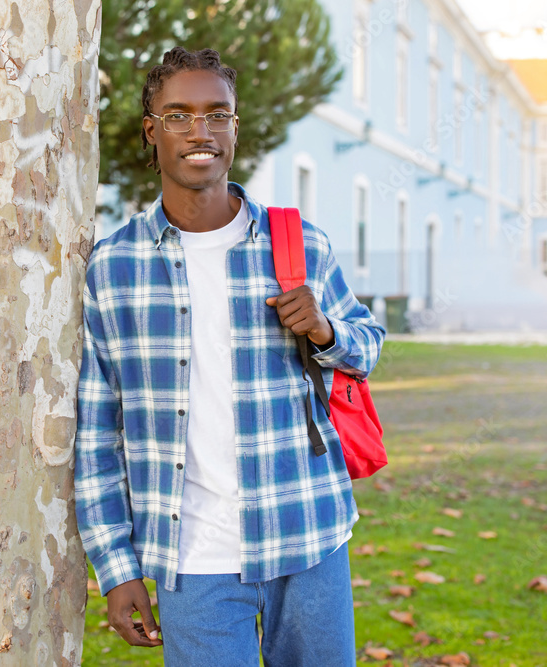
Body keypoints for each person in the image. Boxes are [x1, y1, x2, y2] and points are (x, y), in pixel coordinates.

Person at [74, 46, 385, 666]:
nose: (200, 131)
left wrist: (326, 333)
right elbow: (97, 431)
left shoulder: (299, 243)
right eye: (179, 115)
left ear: (235, 129)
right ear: (151, 131)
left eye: (219, 115)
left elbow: (367, 345)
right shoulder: (114, 266)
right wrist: (115, 566)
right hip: (193, 562)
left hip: (309, 537)